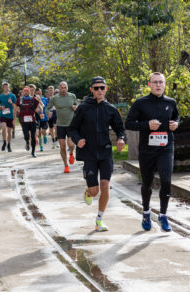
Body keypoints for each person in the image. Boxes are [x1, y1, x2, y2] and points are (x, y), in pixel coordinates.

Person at [69, 76, 125, 231]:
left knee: (105, 185)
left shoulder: (111, 109)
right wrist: (78, 139)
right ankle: (88, 191)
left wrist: (121, 139)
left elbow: (120, 128)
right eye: (96, 88)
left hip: (105, 152)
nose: (99, 90)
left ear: (106, 89)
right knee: (95, 191)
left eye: (102, 87)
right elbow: (72, 128)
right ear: (91, 90)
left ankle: (99, 221)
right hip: (89, 153)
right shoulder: (83, 108)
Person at [125, 72, 179, 232]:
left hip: (165, 148)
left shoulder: (171, 102)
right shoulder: (140, 103)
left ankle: (163, 215)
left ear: (164, 84)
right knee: (147, 183)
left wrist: (176, 124)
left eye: (161, 82)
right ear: (149, 84)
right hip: (147, 150)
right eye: (154, 82)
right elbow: (128, 123)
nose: (158, 85)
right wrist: (146, 125)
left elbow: (176, 118)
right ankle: (146, 212)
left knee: (167, 181)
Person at [46, 81, 77, 173]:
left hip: (71, 124)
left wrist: (75, 107)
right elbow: (47, 108)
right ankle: (66, 165)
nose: (63, 89)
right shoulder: (55, 98)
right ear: (59, 88)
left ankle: (71, 153)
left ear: (67, 88)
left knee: (71, 144)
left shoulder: (72, 96)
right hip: (60, 125)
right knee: (62, 147)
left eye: (65, 87)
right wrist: (49, 113)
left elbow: (77, 105)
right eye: (62, 88)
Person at [16, 86, 39, 158]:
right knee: (26, 136)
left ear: (29, 92)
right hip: (24, 121)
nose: (26, 92)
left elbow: (38, 106)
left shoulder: (33, 99)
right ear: (22, 92)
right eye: (24, 91)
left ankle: (33, 151)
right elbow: (16, 107)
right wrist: (17, 111)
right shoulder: (19, 100)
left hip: (32, 120)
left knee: (33, 136)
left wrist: (38, 110)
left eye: (27, 91)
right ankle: (27, 142)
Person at [0, 82, 16, 152]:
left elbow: (15, 106)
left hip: (10, 116)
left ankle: (9, 145)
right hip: (3, 115)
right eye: (5, 87)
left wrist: (11, 103)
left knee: (9, 131)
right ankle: (4, 142)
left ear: (9, 88)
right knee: (3, 128)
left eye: (7, 87)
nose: (6, 88)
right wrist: (0, 107)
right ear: (3, 88)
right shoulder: (0, 97)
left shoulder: (12, 96)